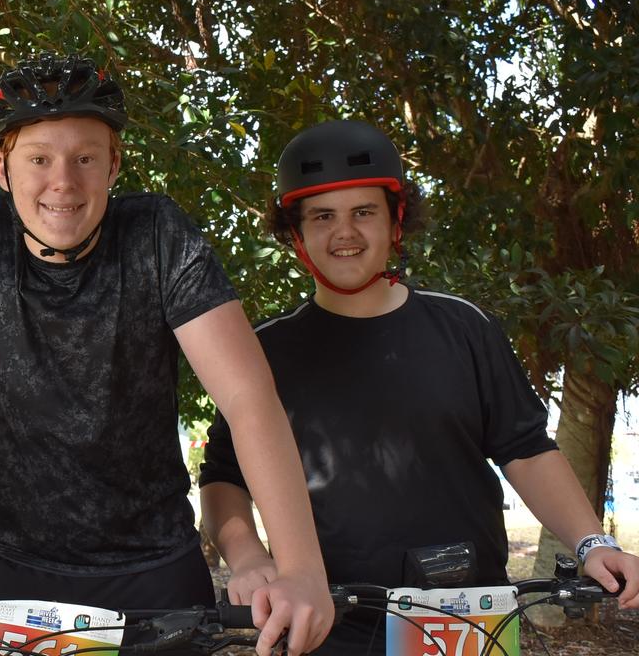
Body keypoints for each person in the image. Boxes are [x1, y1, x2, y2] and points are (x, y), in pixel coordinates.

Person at [0, 53, 334, 656]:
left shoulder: (159, 233)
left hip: (153, 564)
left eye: (85, 158)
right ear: (3, 168)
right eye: (39, 158)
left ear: (115, 164)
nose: (64, 182)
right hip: (10, 558)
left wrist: (300, 570)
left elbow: (247, 398)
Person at [199, 119, 639, 655]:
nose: (345, 233)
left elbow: (526, 449)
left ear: (396, 220)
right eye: (322, 216)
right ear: (295, 233)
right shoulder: (261, 351)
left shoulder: (464, 327)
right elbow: (223, 478)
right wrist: (249, 558)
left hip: (467, 617)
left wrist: (593, 542)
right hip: (327, 620)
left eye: (364, 212)